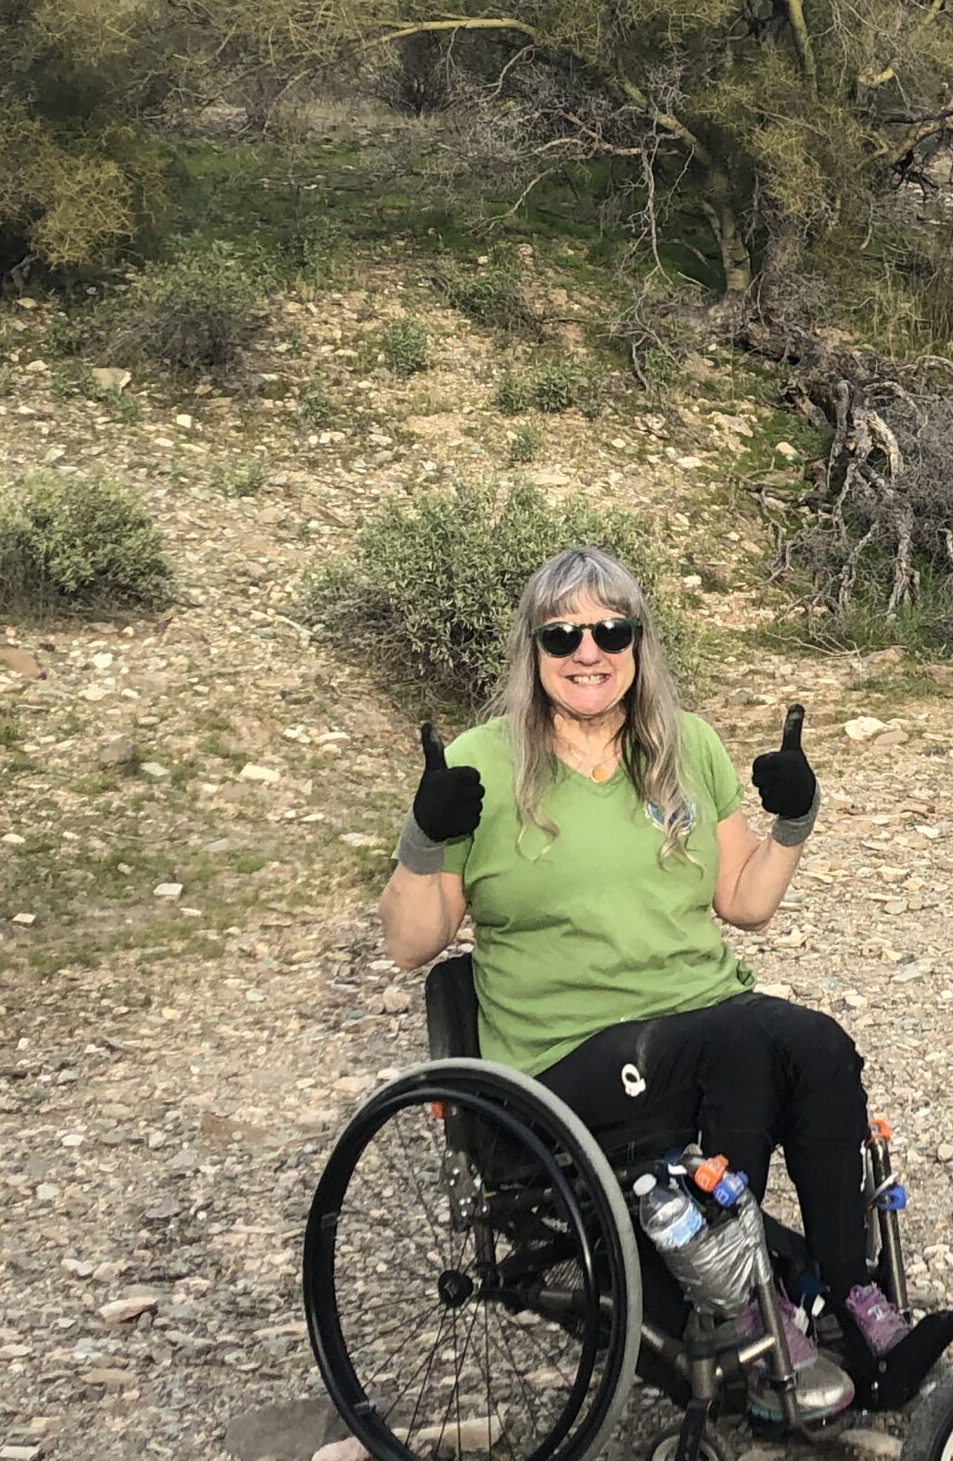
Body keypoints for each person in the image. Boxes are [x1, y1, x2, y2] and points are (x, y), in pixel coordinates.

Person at [377, 544, 899, 1427]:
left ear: (639, 642)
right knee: (732, 1044)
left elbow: (745, 902)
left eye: (611, 629)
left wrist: (795, 821)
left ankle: (853, 1300)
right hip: (565, 1057)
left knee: (814, 1043)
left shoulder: (685, 745)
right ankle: (746, 1317)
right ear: (533, 650)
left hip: (699, 1018)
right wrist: (425, 839)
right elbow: (411, 942)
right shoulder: (482, 762)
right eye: (564, 635)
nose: (590, 651)